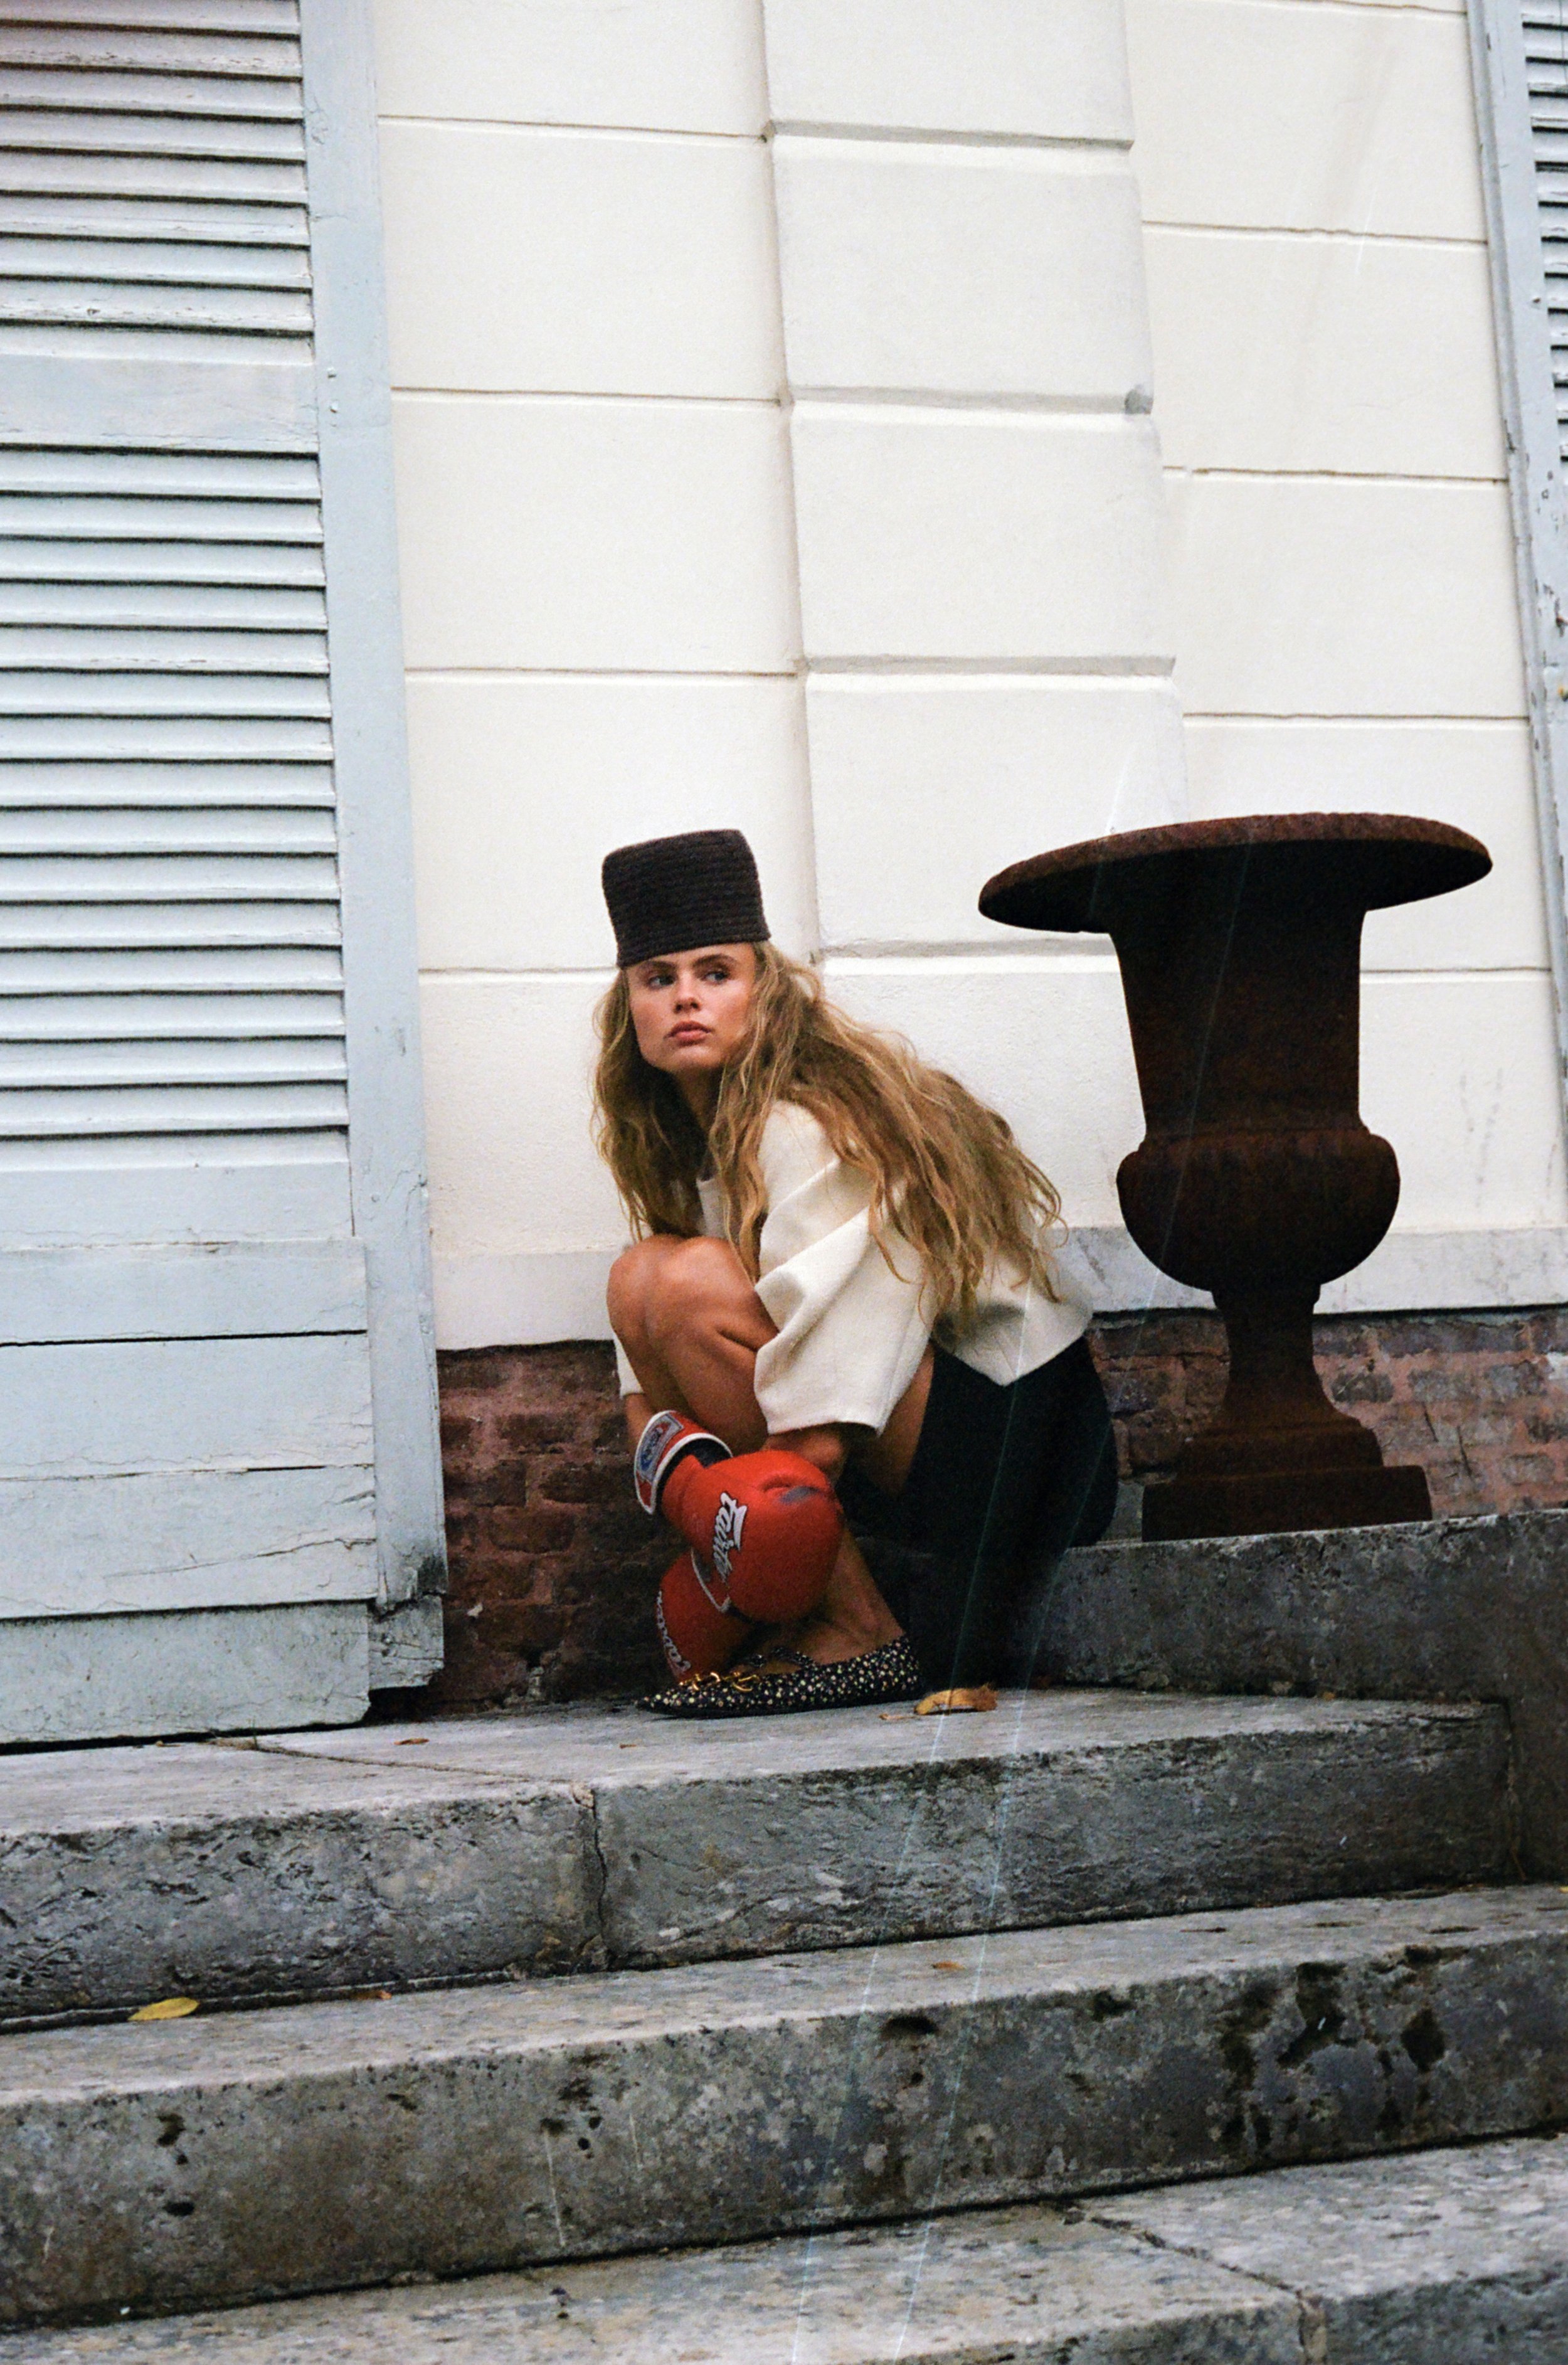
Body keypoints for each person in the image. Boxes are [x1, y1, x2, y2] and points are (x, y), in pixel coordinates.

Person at [595, 827, 1118, 1718]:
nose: (687, 997)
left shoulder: (807, 1123)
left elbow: (823, 1422)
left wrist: (747, 1565)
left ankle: (861, 1630)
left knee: (680, 1286)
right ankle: (840, 1611)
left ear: (765, 989)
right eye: (660, 978)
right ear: (631, 1006)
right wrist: (705, 1513)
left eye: (716, 973)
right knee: (644, 1273)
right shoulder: (695, 1146)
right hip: (912, 1437)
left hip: (1022, 1446)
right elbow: (652, 1409)